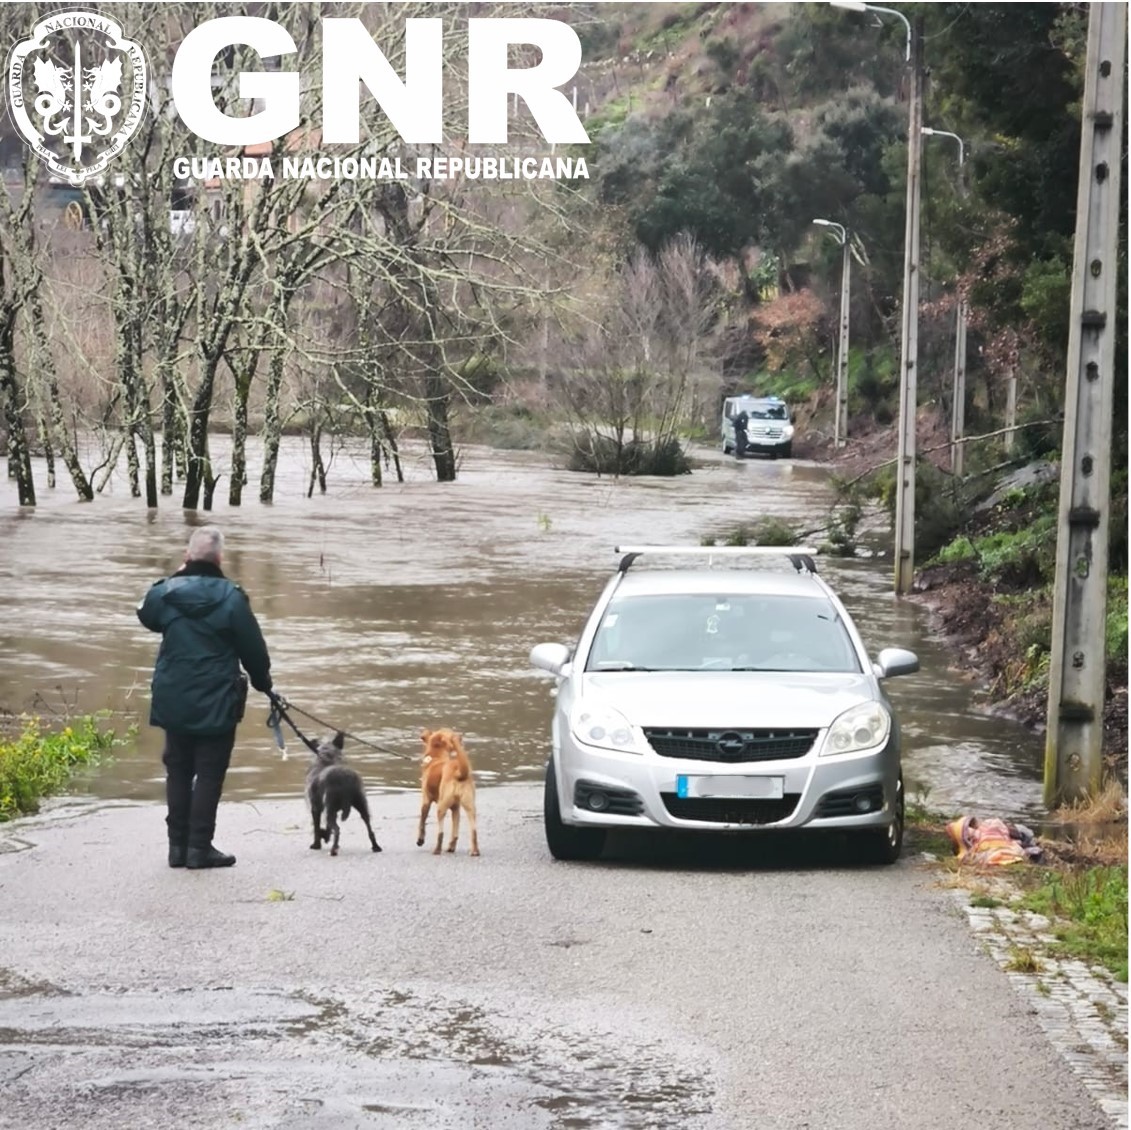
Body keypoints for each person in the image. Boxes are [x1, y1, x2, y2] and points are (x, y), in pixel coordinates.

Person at [137, 526, 273, 870]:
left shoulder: (165, 592)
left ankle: (176, 849)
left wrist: (177, 576)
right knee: (210, 773)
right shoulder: (231, 598)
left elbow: (146, 616)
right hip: (217, 699)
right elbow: (253, 650)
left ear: (187, 556)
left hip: (173, 696)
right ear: (220, 558)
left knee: (178, 770)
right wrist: (263, 683)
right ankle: (199, 848)